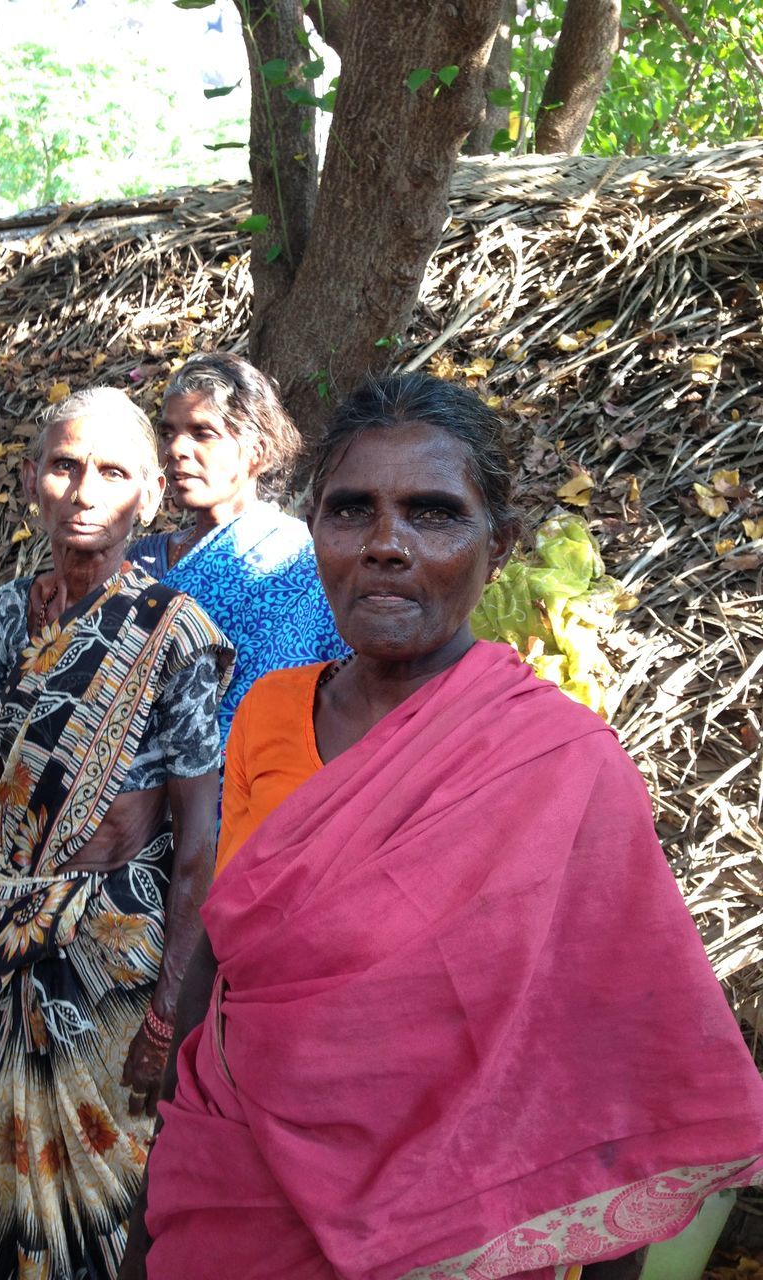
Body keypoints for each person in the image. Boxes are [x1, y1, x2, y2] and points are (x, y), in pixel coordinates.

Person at [125, 374, 763, 1280]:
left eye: (432, 514)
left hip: (446, 1229)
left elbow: (609, 1057)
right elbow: (226, 952)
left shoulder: (560, 762)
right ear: (315, 534)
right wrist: (165, 1176)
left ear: (497, 545)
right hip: (234, 1189)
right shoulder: (265, 711)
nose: (386, 545)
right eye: (352, 512)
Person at [0, 387, 234, 1280]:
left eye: (113, 472)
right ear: (31, 481)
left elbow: (197, 839)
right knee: (6, 1194)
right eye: (64, 466)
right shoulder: (0, 622)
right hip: (7, 947)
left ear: (147, 495)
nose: (85, 490)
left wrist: (170, 1010)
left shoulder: (174, 637)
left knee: (114, 1198)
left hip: (108, 964)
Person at [126, 352, 346, 750]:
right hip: (133, 797)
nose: (176, 449)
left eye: (202, 432)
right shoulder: (141, 562)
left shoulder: (303, 563)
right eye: (168, 432)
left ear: (257, 451)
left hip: (259, 790)